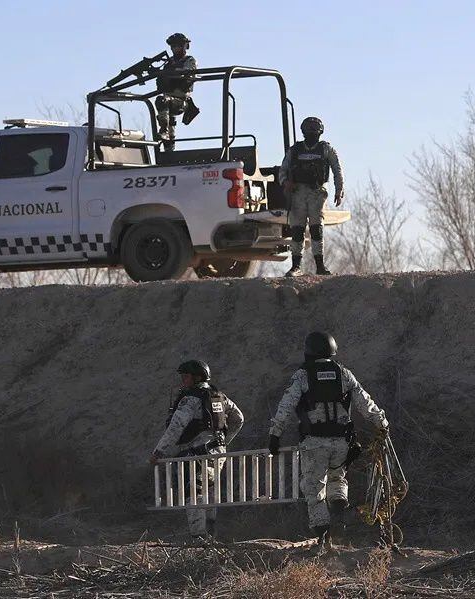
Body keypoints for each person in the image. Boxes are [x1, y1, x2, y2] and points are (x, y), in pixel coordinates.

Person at [268, 332, 388, 553]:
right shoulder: (344, 373)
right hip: (342, 441)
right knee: (337, 476)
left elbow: (286, 405)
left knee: (314, 489)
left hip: (314, 443)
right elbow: (365, 401)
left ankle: (323, 539)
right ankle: (339, 502)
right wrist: (381, 423)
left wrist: (275, 434)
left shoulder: (303, 375)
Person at [151, 360, 244, 538]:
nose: (183, 380)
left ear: (197, 377)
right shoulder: (219, 396)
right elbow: (238, 418)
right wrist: (225, 442)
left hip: (197, 454)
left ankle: (198, 537)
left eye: (185, 376)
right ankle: (210, 535)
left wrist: (158, 452)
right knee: (209, 491)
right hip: (217, 452)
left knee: (193, 492)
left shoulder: (191, 398)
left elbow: (175, 427)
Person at [279, 117, 344, 277]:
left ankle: (320, 266)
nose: (312, 133)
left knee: (316, 229)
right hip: (298, 193)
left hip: (317, 193)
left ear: (320, 132)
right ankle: (296, 266)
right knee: (297, 230)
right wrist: (286, 183)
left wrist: (339, 189)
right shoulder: (295, 150)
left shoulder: (326, 149)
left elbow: (337, 168)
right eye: (309, 129)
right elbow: (283, 170)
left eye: (314, 129)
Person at [156, 33, 199, 150]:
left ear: (185, 46)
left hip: (181, 101)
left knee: (163, 101)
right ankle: (168, 146)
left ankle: (163, 131)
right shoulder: (168, 63)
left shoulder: (189, 60)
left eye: (178, 46)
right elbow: (160, 82)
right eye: (173, 46)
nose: (175, 49)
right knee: (163, 105)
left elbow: (187, 74)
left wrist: (172, 72)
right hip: (168, 99)